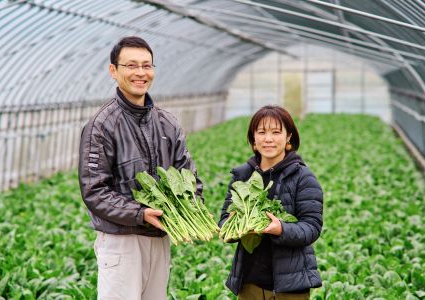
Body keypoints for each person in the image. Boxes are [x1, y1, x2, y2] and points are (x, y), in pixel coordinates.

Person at [78, 36, 202, 300]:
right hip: (122, 241)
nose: (140, 73)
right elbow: (94, 191)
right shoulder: (101, 126)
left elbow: (188, 174)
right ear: (114, 71)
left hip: (160, 238)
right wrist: (140, 213)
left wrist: (192, 205)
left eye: (147, 66)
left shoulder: (168, 122)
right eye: (131, 65)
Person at [219, 105, 323, 299]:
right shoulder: (242, 175)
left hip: (290, 287)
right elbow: (224, 220)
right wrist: (233, 226)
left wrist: (280, 229)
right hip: (249, 283)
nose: (268, 139)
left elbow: (312, 227)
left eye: (276, 132)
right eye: (261, 132)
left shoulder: (303, 177)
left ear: (288, 137)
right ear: (253, 139)